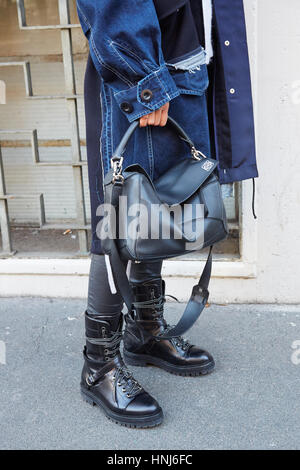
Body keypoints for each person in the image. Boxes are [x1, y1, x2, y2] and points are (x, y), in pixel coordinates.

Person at [76, 0, 258, 428]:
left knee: (157, 202)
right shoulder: (142, 74)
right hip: (145, 66)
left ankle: (145, 331)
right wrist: (143, 79)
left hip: (182, 61)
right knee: (118, 219)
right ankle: (98, 366)